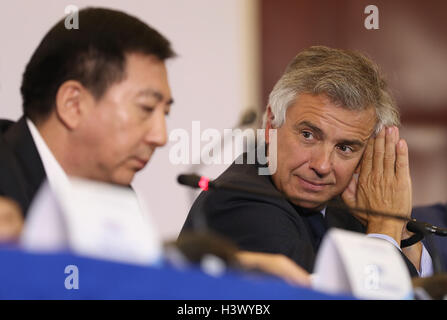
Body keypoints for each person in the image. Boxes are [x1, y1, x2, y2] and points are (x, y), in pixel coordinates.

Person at [0, 7, 310, 287]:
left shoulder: (115, 194)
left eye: (165, 114)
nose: (160, 137)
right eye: (146, 109)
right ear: (73, 104)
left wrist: (237, 265)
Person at [180, 46, 433, 278]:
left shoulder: (343, 205)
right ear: (271, 125)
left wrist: (402, 232)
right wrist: (385, 225)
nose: (322, 166)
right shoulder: (241, 203)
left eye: (345, 148)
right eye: (308, 135)